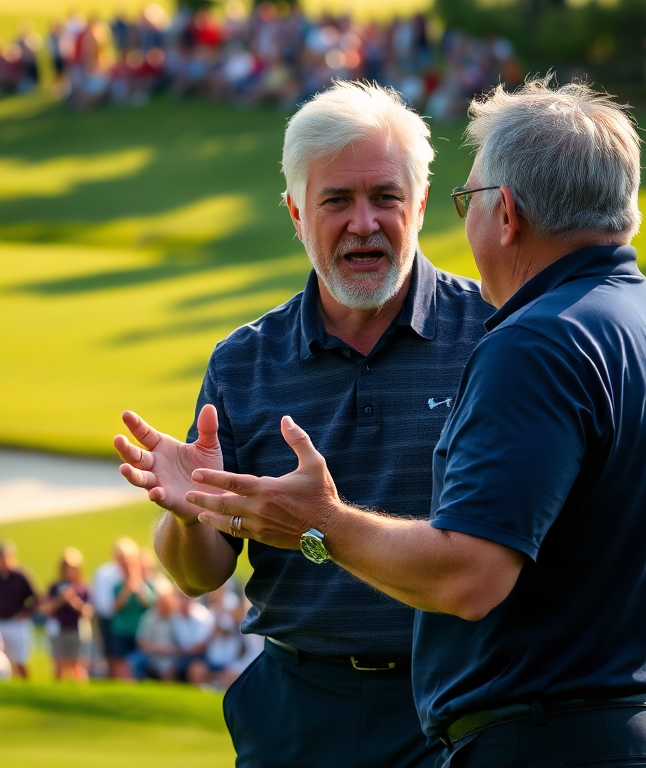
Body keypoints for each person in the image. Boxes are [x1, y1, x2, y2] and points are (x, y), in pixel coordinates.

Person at [182, 79, 646, 768]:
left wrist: (319, 525)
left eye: (464, 199)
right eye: (337, 200)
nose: (365, 222)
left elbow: (468, 579)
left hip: (551, 741)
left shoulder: (532, 341)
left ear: (507, 215)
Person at [115, 80, 490, 768]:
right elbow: (199, 576)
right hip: (297, 712)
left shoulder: (495, 338)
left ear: (422, 205)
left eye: (386, 197)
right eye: (336, 201)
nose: (364, 223)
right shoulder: (244, 363)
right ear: (295, 212)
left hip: (458, 709)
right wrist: (190, 516)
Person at [0, 540, 38, 679]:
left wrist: (25, 613)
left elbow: (36, 598)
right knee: (2, 661)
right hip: (0, 623)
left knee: (20, 660)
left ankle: (27, 687)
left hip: (17, 623)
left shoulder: (21, 576)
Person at [42, 546, 93, 682]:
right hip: (58, 631)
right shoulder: (55, 586)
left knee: (77, 667)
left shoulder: (82, 587)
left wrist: (73, 600)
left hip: (76, 631)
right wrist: (61, 599)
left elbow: (87, 612)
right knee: (59, 666)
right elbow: (45, 608)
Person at [91, 537, 136, 677]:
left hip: (131, 621)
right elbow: (104, 606)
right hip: (110, 621)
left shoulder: (135, 571)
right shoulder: (105, 573)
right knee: (113, 657)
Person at [109, 546, 155, 680]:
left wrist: (138, 589)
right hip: (121, 631)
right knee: (121, 662)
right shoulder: (118, 586)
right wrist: (127, 590)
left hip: (140, 632)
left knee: (138, 662)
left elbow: (149, 604)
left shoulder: (146, 586)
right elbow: (116, 607)